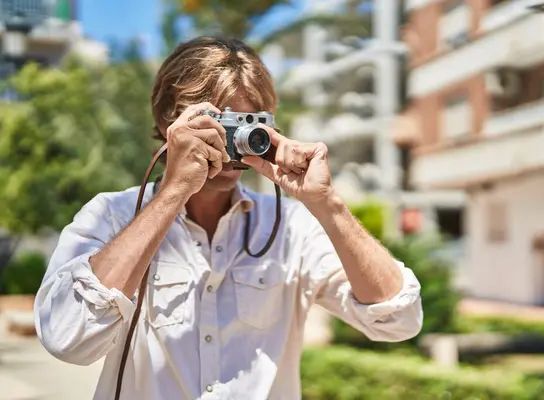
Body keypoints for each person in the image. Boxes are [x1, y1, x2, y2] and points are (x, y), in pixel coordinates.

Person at [34, 36, 423, 400]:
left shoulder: (290, 225)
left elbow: (398, 319)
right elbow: (67, 338)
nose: (235, 139)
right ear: (170, 123)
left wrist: (327, 203)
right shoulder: (111, 215)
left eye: (251, 122)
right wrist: (173, 192)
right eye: (222, 122)